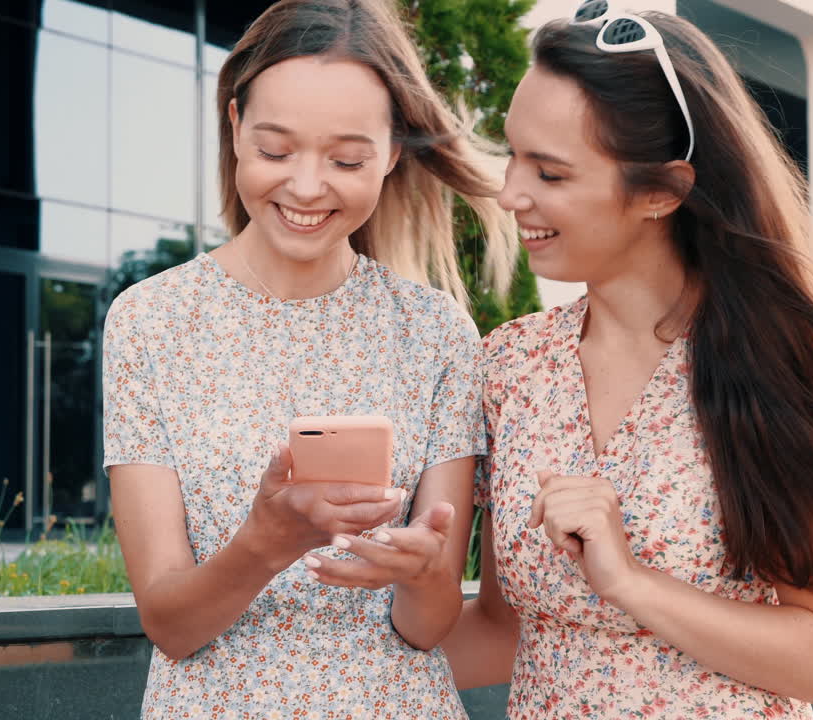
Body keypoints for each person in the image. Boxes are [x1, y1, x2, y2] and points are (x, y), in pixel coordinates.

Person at [439, 4, 813, 718]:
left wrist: (632, 582)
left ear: (662, 191)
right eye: (514, 155)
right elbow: (505, 633)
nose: (510, 194)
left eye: (551, 173)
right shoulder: (512, 365)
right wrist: (305, 663)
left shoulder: (776, 363)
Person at [101, 1, 516, 717]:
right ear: (235, 126)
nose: (305, 186)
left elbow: (427, 628)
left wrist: (423, 575)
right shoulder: (150, 321)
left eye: (347, 160)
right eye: (275, 151)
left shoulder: (438, 333)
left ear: (392, 152)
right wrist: (265, 543)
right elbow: (170, 624)